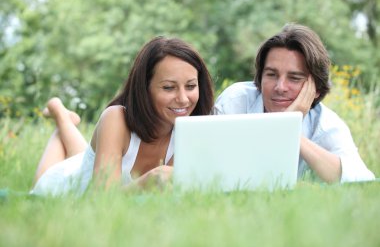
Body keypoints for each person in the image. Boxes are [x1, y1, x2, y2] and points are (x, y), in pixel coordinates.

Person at [31, 36, 214, 196]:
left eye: (190, 86)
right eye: (168, 87)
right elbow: (102, 199)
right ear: (144, 88)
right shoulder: (116, 118)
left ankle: (63, 118)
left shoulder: (190, 131)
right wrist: (148, 180)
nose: (183, 99)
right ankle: (60, 116)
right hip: (64, 188)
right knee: (45, 181)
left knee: (84, 157)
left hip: (87, 164)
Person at [214, 23, 375, 183]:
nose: (280, 87)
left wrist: (289, 129)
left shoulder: (326, 124)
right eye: (271, 74)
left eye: (294, 78)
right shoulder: (235, 102)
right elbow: (212, 168)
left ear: (316, 88)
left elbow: (361, 180)